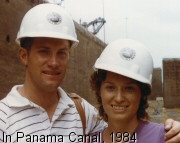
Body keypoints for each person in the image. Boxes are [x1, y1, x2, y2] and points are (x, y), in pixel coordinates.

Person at [0, 3, 179, 143]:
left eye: (61, 53)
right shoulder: (3, 120)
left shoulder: (82, 112)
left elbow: (122, 134)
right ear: (24, 55)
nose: (54, 62)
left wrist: (167, 132)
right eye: (44, 51)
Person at [90, 39, 180, 143]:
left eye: (129, 89)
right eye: (110, 88)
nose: (119, 98)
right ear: (99, 90)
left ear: (142, 94)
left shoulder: (167, 138)